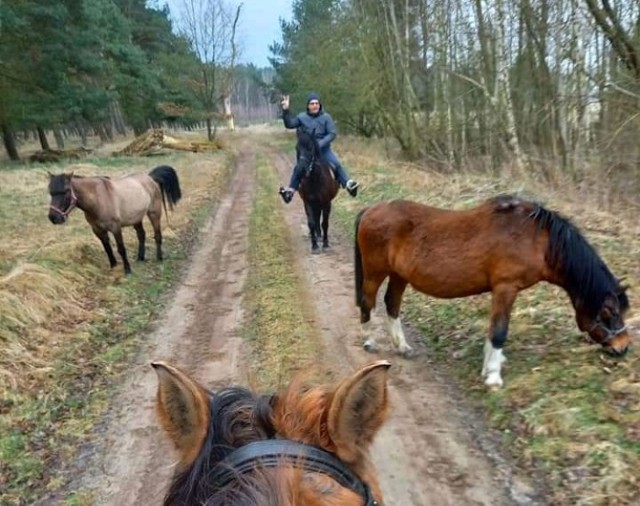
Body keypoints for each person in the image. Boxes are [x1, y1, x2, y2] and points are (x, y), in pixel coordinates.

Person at [278, 92, 359, 204]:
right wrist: (286, 110)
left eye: (317, 103)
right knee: (299, 167)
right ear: (308, 106)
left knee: (336, 164)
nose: (315, 105)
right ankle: (290, 191)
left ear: (320, 105)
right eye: (312, 103)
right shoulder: (302, 117)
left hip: (323, 150)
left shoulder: (326, 118)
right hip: (307, 151)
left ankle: (348, 184)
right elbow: (290, 124)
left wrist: (319, 144)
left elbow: (332, 133)